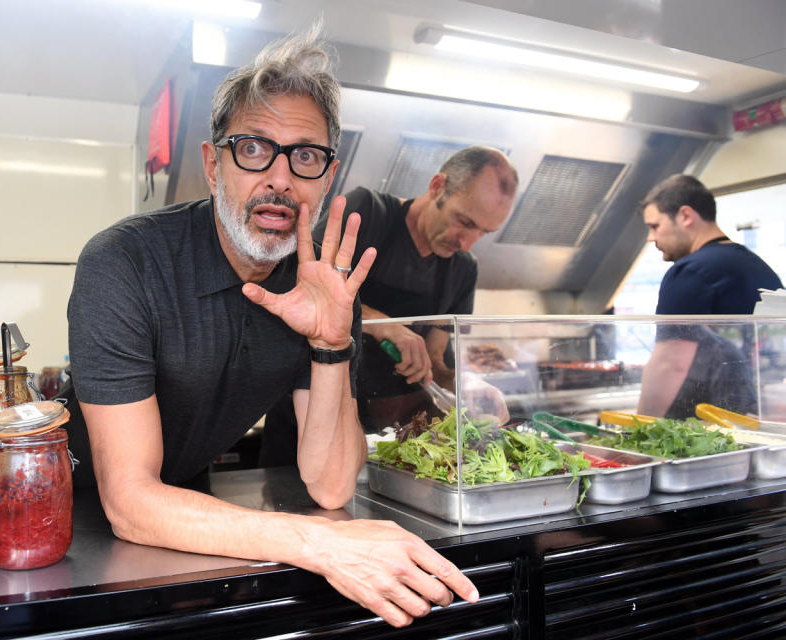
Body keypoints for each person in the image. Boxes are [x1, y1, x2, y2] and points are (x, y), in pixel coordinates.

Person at [66, 28, 479, 629]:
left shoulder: (324, 283)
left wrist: (331, 342)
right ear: (213, 166)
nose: (281, 179)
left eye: (306, 156)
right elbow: (128, 500)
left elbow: (333, 485)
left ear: (326, 178)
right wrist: (322, 545)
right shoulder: (125, 264)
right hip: (77, 524)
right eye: (254, 149)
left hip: (189, 512)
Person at [334, 147, 518, 430]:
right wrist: (383, 325)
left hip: (395, 429)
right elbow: (304, 286)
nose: (467, 244)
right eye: (465, 222)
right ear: (437, 187)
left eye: (483, 232)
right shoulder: (368, 212)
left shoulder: (463, 269)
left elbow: (434, 360)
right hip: (319, 412)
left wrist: (465, 382)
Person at [637, 174, 783, 418]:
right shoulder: (758, 267)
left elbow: (670, 364)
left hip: (703, 429)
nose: (651, 238)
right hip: (752, 420)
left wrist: (637, 431)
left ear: (685, 216)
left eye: (655, 226)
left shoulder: (689, 273)